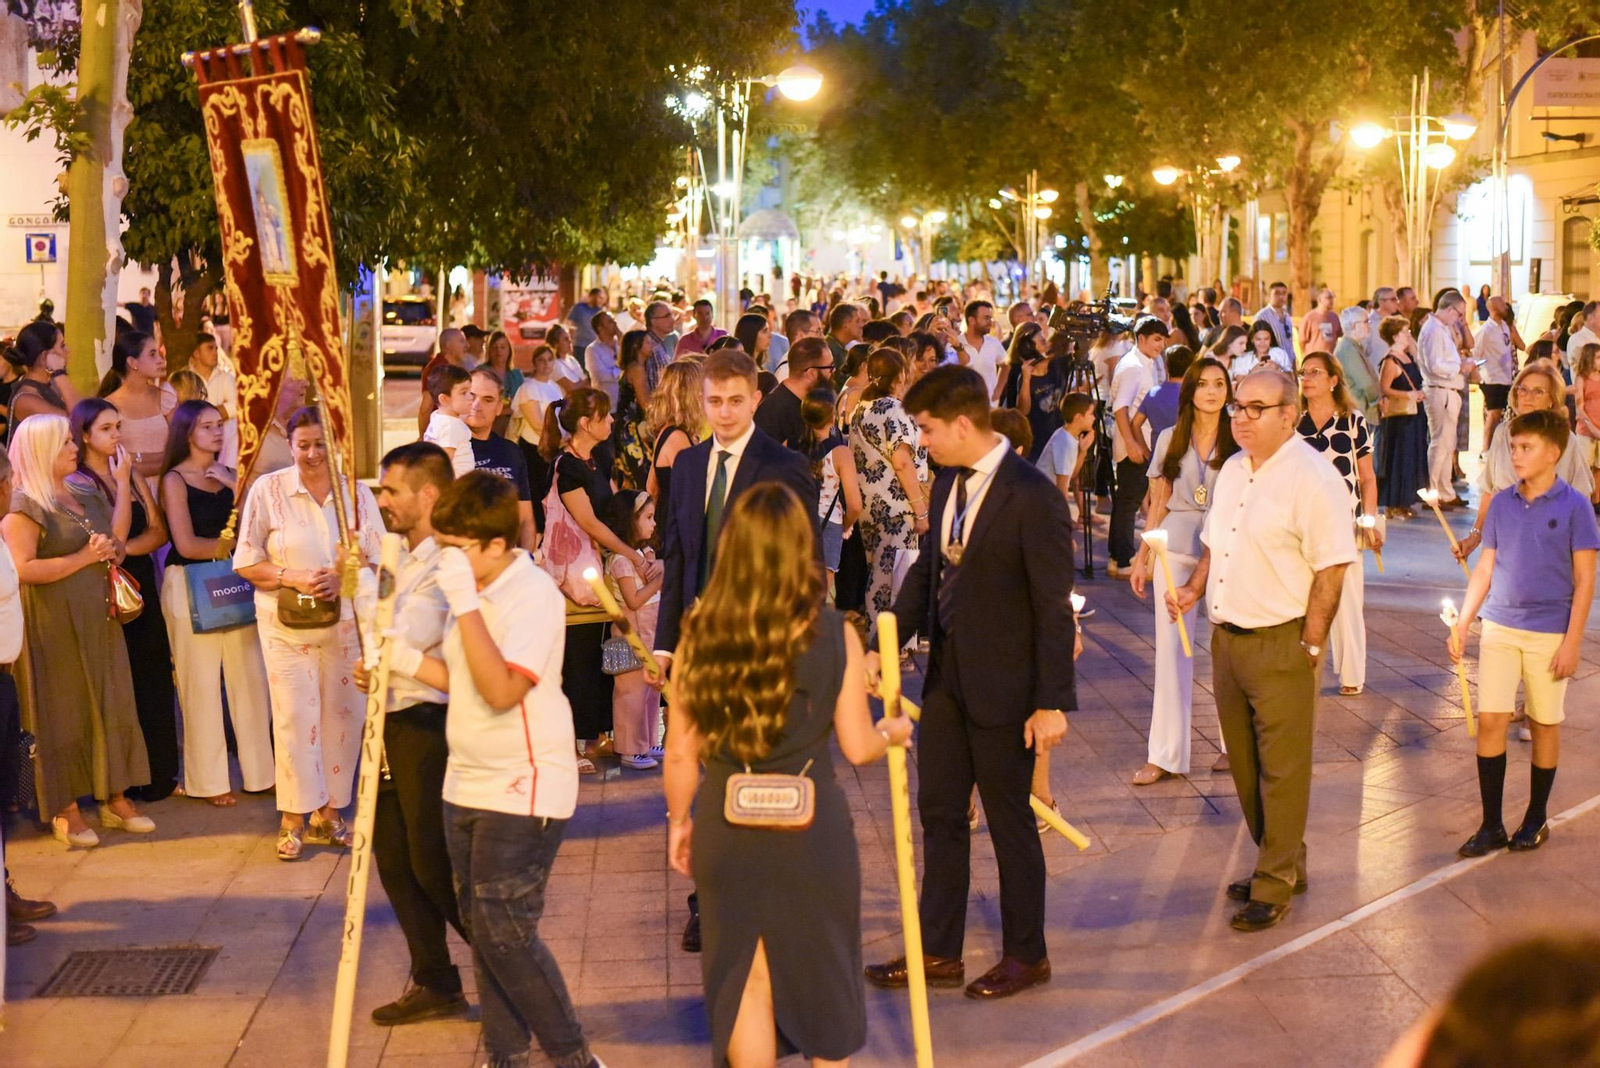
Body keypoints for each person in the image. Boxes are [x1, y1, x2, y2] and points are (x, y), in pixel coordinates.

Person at [663, 483, 912, 1065]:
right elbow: (856, 745)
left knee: (745, 979)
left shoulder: (700, 634)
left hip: (728, 822)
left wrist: (680, 823)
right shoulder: (835, 634)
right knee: (824, 975)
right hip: (812, 831)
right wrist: (892, 732)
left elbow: (679, 753)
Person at [863, 365, 1074, 1000]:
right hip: (947, 680)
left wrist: (1051, 703)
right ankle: (939, 950)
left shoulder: (1033, 496)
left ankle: (1025, 954)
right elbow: (931, 568)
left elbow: (1051, 608)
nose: (919, 441)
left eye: (926, 429)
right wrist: (888, 641)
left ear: (961, 424)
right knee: (941, 816)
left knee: (1010, 822)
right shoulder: (948, 480)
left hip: (1008, 688)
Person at [381, 474, 605, 1068]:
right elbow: (467, 682)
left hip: (524, 782)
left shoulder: (530, 593)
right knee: (485, 932)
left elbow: (503, 690)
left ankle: (574, 1057)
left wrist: (463, 604)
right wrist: (401, 662)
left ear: (495, 545)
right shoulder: (472, 589)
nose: (448, 561)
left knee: (506, 931)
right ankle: (508, 1056)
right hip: (467, 781)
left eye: (457, 548)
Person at [1167, 369, 1355, 932]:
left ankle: (1273, 883)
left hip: (1282, 639)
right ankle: (1284, 860)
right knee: (1246, 769)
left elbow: (1333, 566)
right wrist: (1194, 591)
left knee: (1283, 770)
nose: (1240, 418)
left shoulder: (1314, 478)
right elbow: (1213, 545)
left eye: (1254, 408)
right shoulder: (1230, 471)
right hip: (1228, 638)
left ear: (1288, 414)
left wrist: (1312, 643)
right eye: (1237, 409)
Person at [233, 406, 383, 861]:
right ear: (290, 445)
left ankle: (331, 813)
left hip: (344, 626)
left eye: (321, 444)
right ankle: (292, 819)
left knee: (344, 716)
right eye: (303, 445)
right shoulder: (269, 490)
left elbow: (378, 559)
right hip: (285, 625)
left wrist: (344, 580)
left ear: (335, 444)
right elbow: (245, 561)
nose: (313, 454)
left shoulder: (356, 494)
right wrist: (290, 576)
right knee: (295, 716)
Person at [1450, 409, 1596, 859]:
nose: (1516, 454)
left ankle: (1536, 817)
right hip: (1500, 625)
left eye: (1526, 447)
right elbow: (1486, 568)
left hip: (1549, 631)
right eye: (1513, 447)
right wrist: (1463, 623)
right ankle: (1491, 823)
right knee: (1491, 720)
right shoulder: (1503, 504)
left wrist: (1572, 641)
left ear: (1554, 453)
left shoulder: (1575, 507)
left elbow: (1585, 580)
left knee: (1543, 721)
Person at [357, 442, 469, 1026]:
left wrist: (380, 644)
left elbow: (408, 634)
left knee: (434, 861)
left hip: (429, 721)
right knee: (394, 859)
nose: (382, 500)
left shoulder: (450, 560)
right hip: (388, 720)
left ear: (427, 495)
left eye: (391, 490)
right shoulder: (396, 554)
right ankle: (435, 978)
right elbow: (378, 637)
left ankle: (510, 963)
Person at [3, 414, 153, 848]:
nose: (74, 447)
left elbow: (118, 541)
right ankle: (64, 807)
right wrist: (84, 560)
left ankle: (116, 795)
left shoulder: (84, 490)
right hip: (52, 623)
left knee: (112, 698)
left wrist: (113, 543)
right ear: (42, 451)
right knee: (61, 711)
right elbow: (22, 569)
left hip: (99, 615)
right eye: (65, 442)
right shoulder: (23, 505)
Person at [159, 399, 272, 807]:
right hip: (190, 582)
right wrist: (233, 548)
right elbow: (186, 544)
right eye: (207, 426)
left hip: (232, 578)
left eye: (220, 425)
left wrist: (232, 484)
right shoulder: (175, 479)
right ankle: (208, 781)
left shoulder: (230, 476)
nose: (217, 432)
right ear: (187, 433)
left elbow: (258, 526)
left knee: (251, 678)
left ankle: (262, 772)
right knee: (200, 683)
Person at [1129, 358, 1237, 784]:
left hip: (1226, 553)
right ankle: (1165, 755)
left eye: (1220, 383)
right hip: (1176, 548)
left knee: (1229, 651)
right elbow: (1158, 499)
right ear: (1190, 390)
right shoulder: (1170, 438)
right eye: (1204, 384)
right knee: (1172, 652)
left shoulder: (1239, 440)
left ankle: (1235, 746)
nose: (1212, 391)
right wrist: (1143, 558)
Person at [70, 398, 178, 801]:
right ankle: (122, 779)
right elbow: (100, 540)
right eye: (106, 429)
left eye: (118, 426)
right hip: (101, 589)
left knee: (152, 676)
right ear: (84, 436)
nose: (117, 435)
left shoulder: (128, 474)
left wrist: (125, 549)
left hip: (138, 581)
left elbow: (158, 531)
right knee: (120, 680)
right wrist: (119, 548)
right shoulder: (77, 482)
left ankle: (161, 773)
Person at [540, 389, 641, 771]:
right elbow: (589, 523)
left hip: (596, 575)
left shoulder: (595, 460)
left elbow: (612, 511)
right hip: (574, 580)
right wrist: (630, 552)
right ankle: (569, 744)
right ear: (586, 423)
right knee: (577, 662)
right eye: (605, 416)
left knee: (599, 659)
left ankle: (595, 734)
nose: (611, 422)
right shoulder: (567, 467)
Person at [1296, 352, 1380, 696]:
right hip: (1301, 519)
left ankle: (1352, 674)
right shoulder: (1292, 422)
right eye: (1303, 372)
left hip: (1344, 518)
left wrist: (1369, 519)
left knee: (1347, 600)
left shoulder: (1351, 421)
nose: (1307, 377)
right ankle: (1302, 668)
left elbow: (1368, 477)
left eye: (1315, 372)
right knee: (1301, 597)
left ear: (1333, 380)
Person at [848, 349, 929, 621]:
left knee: (880, 574)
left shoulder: (861, 408)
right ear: (899, 377)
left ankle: (883, 643)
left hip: (869, 506)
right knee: (897, 579)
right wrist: (920, 509)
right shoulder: (894, 408)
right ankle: (892, 648)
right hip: (898, 508)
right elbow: (902, 460)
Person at [602, 490, 663, 770]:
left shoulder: (640, 554)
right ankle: (629, 748)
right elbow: (634, 600)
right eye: (648, 518)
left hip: (648, 636)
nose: (653, 524)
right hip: (628, 638)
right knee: (631, 695)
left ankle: (648, 741)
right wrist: (662, 579)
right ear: (630, 520)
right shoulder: (621, 560)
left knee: (650, 692)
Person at [1107, 318, 1167, 575]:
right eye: (1156, 339)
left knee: (1128, 499)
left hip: (1140, 441)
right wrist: (1131, 443)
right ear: (1141, 338)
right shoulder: (1133, 366)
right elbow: (1121, 407)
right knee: (1128, 500)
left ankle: (1119, 556)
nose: (1161, 345)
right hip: (1133, 444)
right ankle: (1122, 559)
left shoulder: (1144, 362)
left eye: (1163, 340)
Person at [464, 368, 538, 552]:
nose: (476, 405)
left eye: (487, 400)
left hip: (505, 563)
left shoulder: (510, 452)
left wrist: (525, 561)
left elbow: (526, 520)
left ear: (499, 408)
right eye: (471, 396)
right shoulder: (447, 450)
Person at [802, 385, 862, 598]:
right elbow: (855, 504)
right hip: (829, 522)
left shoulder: (790, 444)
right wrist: (846, 525)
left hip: (796, 520)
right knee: (822, 593)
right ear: (833, 416)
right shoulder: (840, 452)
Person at [97, 331, 176, 480]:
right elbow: (114, 459)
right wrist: (163, 461)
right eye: (152, 354)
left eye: (159, 354)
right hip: (131, 491)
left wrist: (137, 458)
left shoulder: (166, 399)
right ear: (132, 362)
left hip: (168, 486)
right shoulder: (108, 407)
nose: (160, 360)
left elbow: (180, 447)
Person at [1417, 290, 1470, 508]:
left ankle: (1445, 491)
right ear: (1449, 309)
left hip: (1448, 390)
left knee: (1448, 444)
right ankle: (1433, 492)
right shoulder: (1432, 330)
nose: (1460, 319)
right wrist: (1460, 367)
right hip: (1440, 390)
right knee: (1440, 443)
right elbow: (1435, 365)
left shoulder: (1442, 329)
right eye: (1459, 314)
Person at [1376, 317, 1430, 520]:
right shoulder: (1391, 361)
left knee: (1412, 457)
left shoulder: (1407, 356)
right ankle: (1393, 503)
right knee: (1400, 459)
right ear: (1396, 335)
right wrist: (1408, 395)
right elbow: (1384, 388)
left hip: (1414, 414)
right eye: (1406, 332)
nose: (1409, 335)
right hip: (1400, 417)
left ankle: (1405, 500)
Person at [645, 360, 705, 522]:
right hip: (678, 526)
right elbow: (695, 491)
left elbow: (652, 486)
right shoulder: (676, 437)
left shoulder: (679, 432)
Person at [513, 344, 564, 527]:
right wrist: (560, 440)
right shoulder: (529, 388)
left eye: (550, 359)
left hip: (551, 449)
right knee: (536, 494)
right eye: (541, 360)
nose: (546, 364)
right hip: (534, 449)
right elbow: (536, 423)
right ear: (534, 363)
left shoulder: (554, 387)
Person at [754, 336, 834, 453]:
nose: (833, 372)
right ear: (811, 374)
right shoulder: (772, 411)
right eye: (830, 367)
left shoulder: (812, 403)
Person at [609, 330, 653, 492]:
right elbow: (645, 403)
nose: (651, 346)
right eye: (647, 342)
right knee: (640, 480)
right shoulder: (637, 369)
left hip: (624, 427)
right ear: (637, 347)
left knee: (630, 480)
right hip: (631, 430)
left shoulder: (631, 367)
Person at [1474, 296, 1520, 448]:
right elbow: (1475, 355)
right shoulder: (1485, 331)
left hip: (1505, 378)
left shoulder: (1504, 327)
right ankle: (1485, 449)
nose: (1505, 306)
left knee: (1500, 414)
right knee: (1493, 415)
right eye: (1501, 304)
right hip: (1491, 379)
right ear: (1493, 308)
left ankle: (1496, 447)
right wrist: (1486, 367)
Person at [188, 332, 240, 467]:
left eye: (216, 348)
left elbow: (237, 405)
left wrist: (207, 418)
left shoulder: (226, 377)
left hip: (225, 440)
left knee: (233, 427)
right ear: (196, 353)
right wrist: (220, 411)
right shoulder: (188, 378)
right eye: (210, 348)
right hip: (194, 437)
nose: (215, 352)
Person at [421, 362, 476, 479]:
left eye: (470, 391)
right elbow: (444, 462)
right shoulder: (452, 426)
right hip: (458, 486)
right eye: (464, 392)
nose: (471, 397)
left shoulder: (437, 416)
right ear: (444, 399)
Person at [1133, 344, 1194, 446]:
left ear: (1166, 366)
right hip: (1188, 456)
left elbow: (1135, 424)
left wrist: (1146, 453)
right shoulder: (1194, 395)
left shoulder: (1153, 393)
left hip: (1158, 457)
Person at [1333, 307, 1382, 433]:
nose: (1369, 326)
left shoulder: (1353, 346)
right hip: (1358, 410)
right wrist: (1376, 401)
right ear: (1355, 326)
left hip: (1361, 410)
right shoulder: (1347, 349)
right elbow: (1366, 382)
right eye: (1366, 322)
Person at [416, 327, 468, 435]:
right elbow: (426, 407)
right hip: (440, 434)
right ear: (449, 345)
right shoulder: (438, 369)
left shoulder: (451, 368)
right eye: (461, 341)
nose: (467, 346)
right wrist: (423, 436)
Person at [954, 299, 1007, 399]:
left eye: (991, 318)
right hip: (963, 407)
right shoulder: (954, 344)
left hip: (990, 407)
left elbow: (1006, 365)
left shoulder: (994, 343)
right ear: (971, 320)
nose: (991, 323)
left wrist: (998, 390)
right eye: (986, 318)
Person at [584, 314, 621, 408]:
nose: (615, 323)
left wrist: (623, 340)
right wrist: (622, 372)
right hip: (606, 405)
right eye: (610, 321)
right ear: (600, 328)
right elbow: (600, 375)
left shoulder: (621, 343)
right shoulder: (592, 350)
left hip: (624, 402)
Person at [1255, 281, 1297, 360]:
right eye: (1277, 293)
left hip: (1288, 363)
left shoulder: (1287, 316)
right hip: (1272, 363)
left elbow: (1290, 343)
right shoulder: (1262, 316)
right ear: (1269, 296)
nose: (1281, 296)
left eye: (1284, 293)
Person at [1298, 288, 1341, 354]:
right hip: (1315, 358)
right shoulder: (1309, 317)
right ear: (1319, 299)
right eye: (1328, 298)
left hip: (1330, 358)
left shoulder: (1335, 317)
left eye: (1333, 298)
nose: (1331, 300)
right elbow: (1302, 341)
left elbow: (1338, 336)